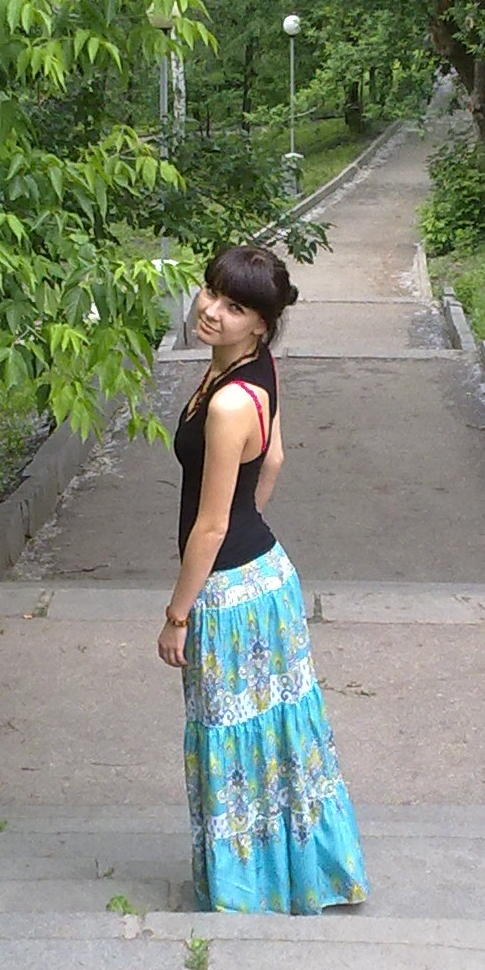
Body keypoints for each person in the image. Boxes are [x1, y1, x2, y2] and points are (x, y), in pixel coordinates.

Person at [158, 243, 369, 915]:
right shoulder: (251, 368)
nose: (211, 310)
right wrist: (249, 521)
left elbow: (211, 526)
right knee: (277, 737)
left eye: (234, 306)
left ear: (260, 323)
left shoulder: (228, 402)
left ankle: (247, 889)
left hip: (229, 593)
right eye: (210, 293)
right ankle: (300, 876)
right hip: (265, 579)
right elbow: (272, 458)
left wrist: (177, 614)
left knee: (232, 739)